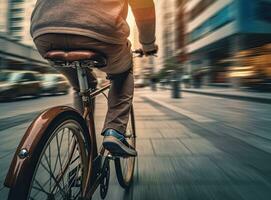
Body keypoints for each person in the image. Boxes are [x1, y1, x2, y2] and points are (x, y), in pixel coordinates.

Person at [31, 0, 158, 157]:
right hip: (98, 30)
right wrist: (148, 45)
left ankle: (83, 146)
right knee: (123, 74)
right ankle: (115, 131)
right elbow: (143, 4)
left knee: (82, 86)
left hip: (44, 32)